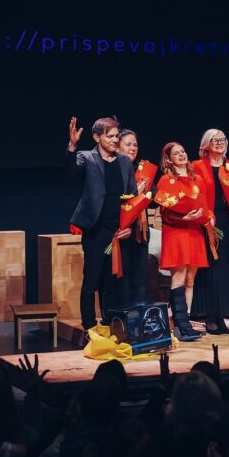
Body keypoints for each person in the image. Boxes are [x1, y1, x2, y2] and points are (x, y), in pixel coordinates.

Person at [66, 116, 136, 333]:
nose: (115, 140)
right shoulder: (86, 157)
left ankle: (110, 323)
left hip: (119, 230)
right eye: (110, 136)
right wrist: (72, 146)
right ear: (97, 137)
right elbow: (70, 174)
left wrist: (129, 226)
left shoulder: (124, 162)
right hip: (96, 230)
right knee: (92, 280)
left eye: (117, 136)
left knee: (112, 281)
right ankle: (89, 327)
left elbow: (133, 196)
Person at [190, 129, 229, 335]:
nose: (219, 143)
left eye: (222, 140)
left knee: (225, 269)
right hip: (206, 221)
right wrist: (205, 215)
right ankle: (210, 317)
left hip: (227, 221)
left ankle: (221, 317)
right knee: (210, 269)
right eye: (214, 140)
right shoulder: (196, 166)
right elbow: (193, 194)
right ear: (206, 144)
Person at [158, 142, 207, 342]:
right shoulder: (165, 180)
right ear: (169, 159)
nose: (181, 155)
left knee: (190, 281)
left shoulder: (198, 179)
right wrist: (182, 217)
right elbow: (164, 211)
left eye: (183, 151)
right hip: (176, 232)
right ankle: (181, 325)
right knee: (178, 277)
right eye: (176, 153)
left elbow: (205, 204)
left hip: (194, 231)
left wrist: (208, 216)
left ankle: (184, 322)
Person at [117, 129, 149, 305]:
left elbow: (154, 201)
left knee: (140, 276)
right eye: (128, 144)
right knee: (121, 276)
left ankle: (139, 313)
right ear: (117, 147)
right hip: (120, 230)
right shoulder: (113, 169)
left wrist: (147, 192)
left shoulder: (143, 170)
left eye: (135, 144)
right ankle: (122, 315)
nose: (132, 148)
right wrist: (135, 192)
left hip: (140, 230)